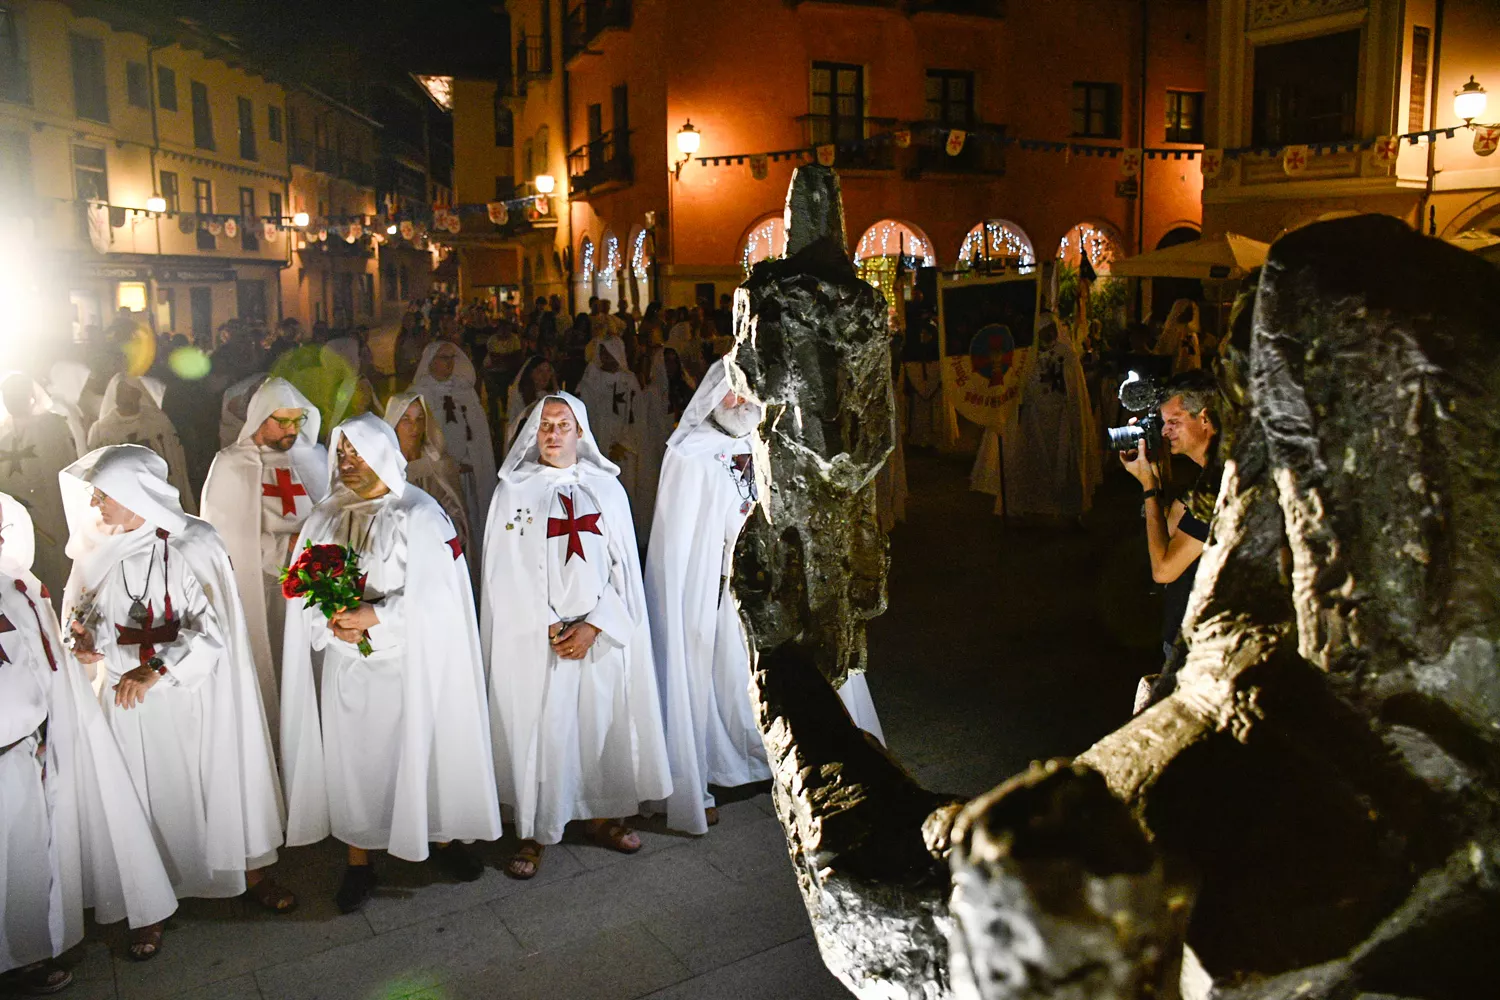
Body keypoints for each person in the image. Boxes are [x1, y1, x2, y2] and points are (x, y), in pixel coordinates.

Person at [58, 445, 292, 959]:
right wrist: (81, 639)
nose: (94, 501)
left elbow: (216, 629)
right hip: (126, 705)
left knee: (214, 783)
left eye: (104, 492)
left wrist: (158, 667)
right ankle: (149, 905)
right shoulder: (94, 547)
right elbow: (79, 612)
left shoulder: (194, 542)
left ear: (134, 493)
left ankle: (250, 872)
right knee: (140, 798)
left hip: (194, 698)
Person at [280, 414, 500, 913]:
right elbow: (302, 591)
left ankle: (441, 839)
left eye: (358, 453)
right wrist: (331, 621)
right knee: (356, 763)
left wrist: (375, 615)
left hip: (409, 666)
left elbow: (442, 597)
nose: (347, 463)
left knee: (420, 752)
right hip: (348, 669)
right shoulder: (325, 516)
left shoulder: (419, 515)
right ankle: (360, 857)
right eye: (342, 454)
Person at [482, 394, 671, 879]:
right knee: (541, 729)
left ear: (580, 432)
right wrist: (545, 623)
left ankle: (602, 816)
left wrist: (594, 624)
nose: (552, 433)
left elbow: (623, 568)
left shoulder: (607, 490)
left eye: (563, 424)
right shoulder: (514, 491)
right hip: (538, 638)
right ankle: (535, 829)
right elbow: (504, 571)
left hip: (597, 633)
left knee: (598, 724)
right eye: (544, 425)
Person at [0, 493, 179, 988]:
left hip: (48, 734)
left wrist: (78, 650)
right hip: (13, 744)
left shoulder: (20, 581)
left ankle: (46, 944)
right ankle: (21, 958)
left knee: (48, 841)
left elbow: (43, 654)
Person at [643, 362, 773, 835]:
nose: (739, 403)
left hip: (769, 593)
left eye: (747, 394)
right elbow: (679, 548)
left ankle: (772, 765)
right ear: (712, 397)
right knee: (713, 681)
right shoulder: (689, 455)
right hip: (716, 597)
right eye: (731, 394)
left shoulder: (769, 443)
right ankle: (710, 774)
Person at [199, 378, 328, 742]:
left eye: (297, 421)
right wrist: (282, 549)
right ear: (259, 418)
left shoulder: (312, 458)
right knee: (274, 662)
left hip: (313, 585)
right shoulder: (229, 465)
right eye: (282, 422)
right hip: (265, 587)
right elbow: (223, 538)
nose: (291, 430)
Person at [1119, 370, 1221, 705]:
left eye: (1173, 421)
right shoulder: (1206, 479)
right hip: (1186, 633)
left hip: (1198, 643)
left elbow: (1163, 568)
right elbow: (1167, 525)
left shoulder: (1221, 487)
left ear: (1204, 418)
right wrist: (1152, 477)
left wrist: (1149, 488)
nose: (1165, 431)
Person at [984, 320, 1100, 521]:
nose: (1047, 335)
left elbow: (1075, 393)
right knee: (1034, 461)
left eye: (1049, 331)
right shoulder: (1027, 356)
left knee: (1063, 464)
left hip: (1062, 421)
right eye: (1042, 331)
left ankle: (1068, 510)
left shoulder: (1067, 356)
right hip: (1034, 418)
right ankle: (1032, 507)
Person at [409, 342, 496, 566]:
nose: (449, 363)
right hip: (439, 479)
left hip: (468, 474)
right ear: (430, 362)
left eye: (451, 358)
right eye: (443, 358)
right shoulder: (419, 394)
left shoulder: (465, 391)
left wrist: (475, 459)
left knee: (471, 524)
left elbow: (479, 433)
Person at [1, 373, 80, 602]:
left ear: (30, 397)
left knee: (56, 580)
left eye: (17, 394)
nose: (12, 400)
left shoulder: (52, 427)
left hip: (49, 520)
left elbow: (64, 473)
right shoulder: (3, 435)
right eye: (7, 395)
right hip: (12, 525)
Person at [383, 390, 472, 567]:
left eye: (419, 419)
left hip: (437, 550)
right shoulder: (384, 469)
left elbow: (457, 513)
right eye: (406, 419)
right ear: (394, 422)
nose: (414, 427)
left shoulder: (440, 464)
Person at [87, 375, 196, 514]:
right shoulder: (101, 431)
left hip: (158, 497)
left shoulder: (157, 422)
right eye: (121, 392)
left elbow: (175, 463)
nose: (126, 397)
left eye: (130, 392)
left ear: (139, 394)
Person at [574, 335, 643, 518]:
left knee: (625, 492)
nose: (605, 358)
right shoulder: (592, 377)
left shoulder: (629, 380)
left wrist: (624, 443)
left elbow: (636, 417)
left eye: (609, 353)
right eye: (602, 353)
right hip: (599, 441)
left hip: (625, 447)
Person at [504, 355, 561, 454]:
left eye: (548, 371)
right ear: (530, 374)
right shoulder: (521, 397)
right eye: (540, 371)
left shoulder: (548, 396)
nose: (545, 376)